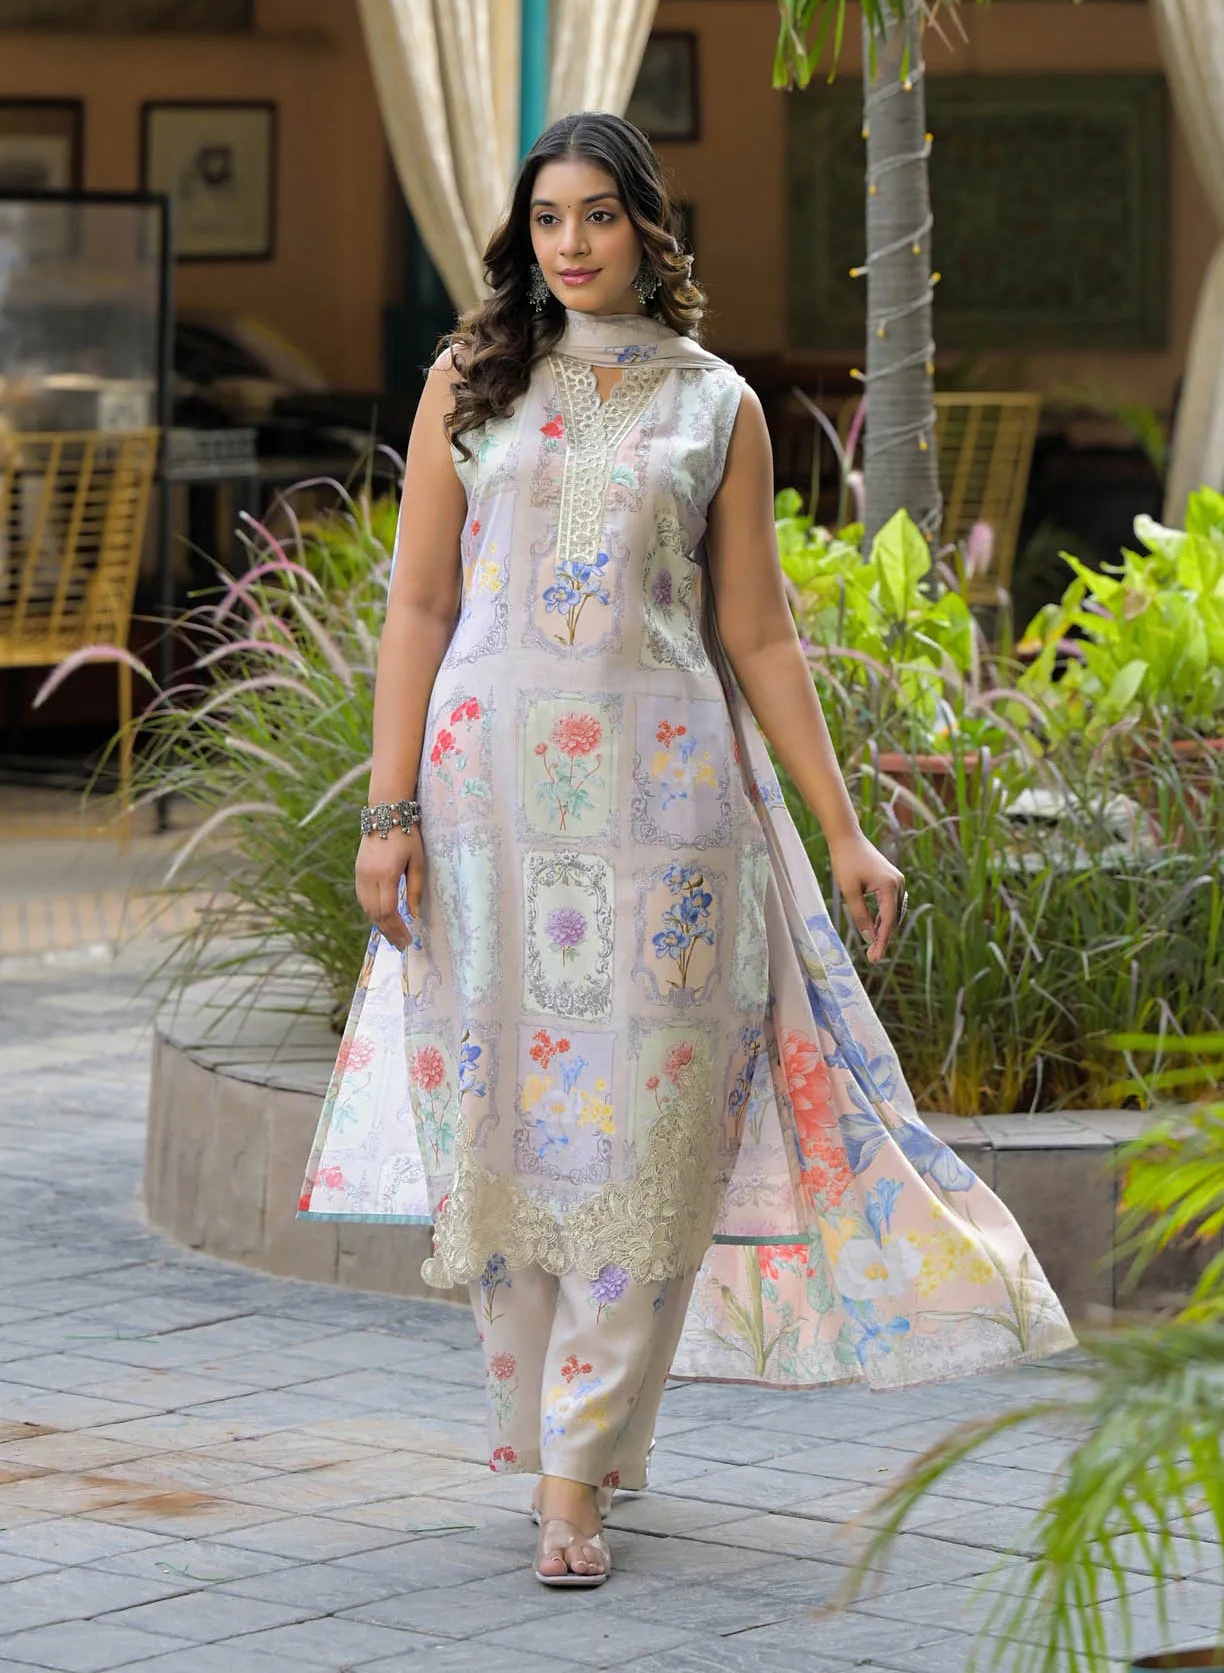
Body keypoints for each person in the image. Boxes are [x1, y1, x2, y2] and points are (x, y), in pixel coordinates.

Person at [296, 110, 1076, 1589]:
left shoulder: (715, 404)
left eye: (599, 216)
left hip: (669, 821)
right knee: (516, 1139)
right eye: (547, 221)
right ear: (523, 237)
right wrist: (386, 811)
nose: (573, 245)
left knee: (650, 1141)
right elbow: (416, 611)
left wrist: (844, 828)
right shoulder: (468, 388)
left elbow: (756, 630)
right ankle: (553, 1443)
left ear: (652, 228)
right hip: (489, 817)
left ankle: (578, 1476)